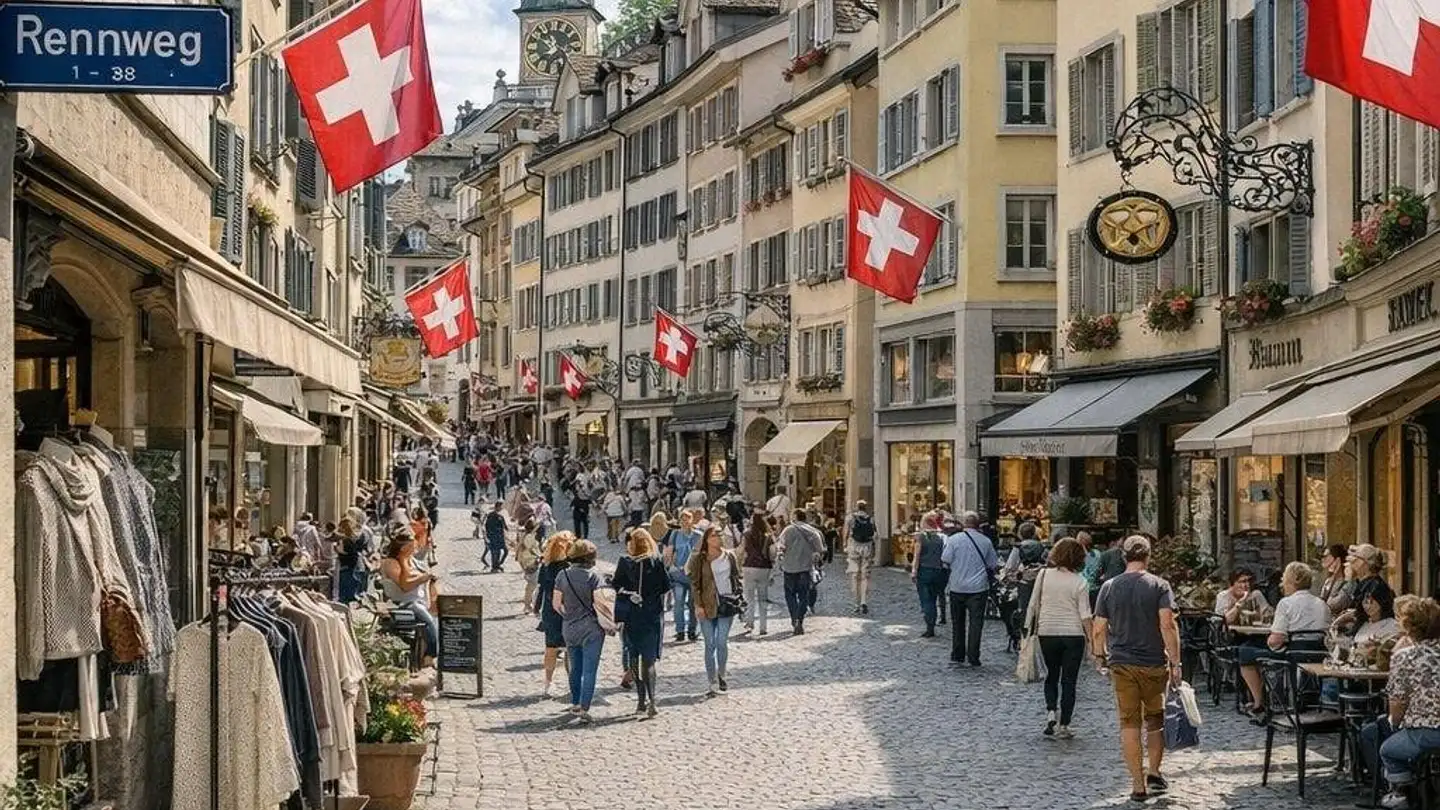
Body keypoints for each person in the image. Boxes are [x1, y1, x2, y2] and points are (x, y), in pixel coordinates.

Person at [1092, 535, 1182, 804]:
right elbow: (1167, 624)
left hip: (1122, 663)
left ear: (1124, 557)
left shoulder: (1109, 587)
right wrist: (1175, 661)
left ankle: (1137, 784)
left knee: (1129, 723)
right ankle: (1155, 771)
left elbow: (1099, 627)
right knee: (1155, 720)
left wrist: (1100, 655)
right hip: (1154, 662)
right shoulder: (1159, 585)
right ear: (1148, 556)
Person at [1360, 595, 1440, 810]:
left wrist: (1394, 723)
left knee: (1387, 747)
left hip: (1426, 732)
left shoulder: (1406, 656)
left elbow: (1397, 705)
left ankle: (1400, 792)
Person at [1236, 561, 1330, 715]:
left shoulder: (1286, 603)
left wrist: (1270, 642)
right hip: (1319, 654)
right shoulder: (1322, 604)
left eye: (1284, 579)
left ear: (1292, 581)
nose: (1282, 583)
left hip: (1293, 656)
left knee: (1245, 652)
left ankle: (1260, 702)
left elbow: (1275, 640)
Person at [1025, 537, 1093, 739]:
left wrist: (1028, 629)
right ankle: (1064, 725)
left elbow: (1033, 603)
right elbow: (1085, 615)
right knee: (1069, 681)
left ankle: (1050, 713)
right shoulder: (1080, 582)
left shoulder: (1044, 575)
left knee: (1051, 675)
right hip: (1073, 634)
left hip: (1048, 631)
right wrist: (1093, 641)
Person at [611, 528, 671, 718]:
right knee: (649, 660)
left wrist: (628, 593)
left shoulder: (625, 562)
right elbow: (665, 586)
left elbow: (615, 585)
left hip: (631, 616)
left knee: (634, 657)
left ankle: (640, 701)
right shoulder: (656, 561)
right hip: (651, 616)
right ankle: (653, 699)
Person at [552, 539, 608, 722]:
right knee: (590, 669)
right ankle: (584, 707)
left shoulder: (563, 575)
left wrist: (568, 615)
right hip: (592, 628)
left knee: (575, 668)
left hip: (569, 627)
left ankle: (575, 702)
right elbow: (601, 604)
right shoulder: (594, 576)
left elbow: (556, 604)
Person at [689, 524, 743, 695]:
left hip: (726, 603)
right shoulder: (699, 559)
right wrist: (698, 605)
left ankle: (722, 674)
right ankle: (711, 679)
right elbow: (695, 583)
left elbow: (736, 577)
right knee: (709, 643)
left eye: (719, 535)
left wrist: (739, 598)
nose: (717, 538)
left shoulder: (729, 557)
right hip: (706, 604)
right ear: (706, 539)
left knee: (721, 641)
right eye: (713, 535)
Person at [941, 511, 999, 667]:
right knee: (976, 623)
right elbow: (993, 564)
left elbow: (945, 560)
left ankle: (958, 654)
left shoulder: (953, 540)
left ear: (964, 524)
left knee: (957, 623)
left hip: (957, 586)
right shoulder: (985, 541)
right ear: (978, 524)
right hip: (978, 588)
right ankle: (974, 656)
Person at [379, 525, 438, 668]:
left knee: (437, 620)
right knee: (428, 621)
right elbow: (404, 586)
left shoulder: (412, 560)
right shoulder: (392, 563)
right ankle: (430, 655)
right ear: (404, 547)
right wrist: (421, 578)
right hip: (404, 603)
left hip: (419, 601)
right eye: (412, 545)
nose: (415, 547)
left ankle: (426, 655)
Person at [535, 532, 574, 696]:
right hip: (569, 611)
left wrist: (537, 608)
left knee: (550, 648)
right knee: (570, 649)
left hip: (550, 612)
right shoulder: (570, 567)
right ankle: (572, 683)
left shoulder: (546, 566)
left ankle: (548, 683)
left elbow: (541, 589)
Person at [777, 508, 826, 635]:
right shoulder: (813, 532)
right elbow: (820, 550)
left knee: (790, 595)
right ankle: (800, 618)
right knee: (803, 596)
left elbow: (780, 547)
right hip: (805, 568)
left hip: (789, 568)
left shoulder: (787, 530)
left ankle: (794, 618)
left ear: (795, 517)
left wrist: (781, 557)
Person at [664, 510, 702, 642]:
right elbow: (669, 552)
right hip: (678, 574)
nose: (685, 522)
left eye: (687, 519)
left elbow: (703, 554)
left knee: (693, 604)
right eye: (682, 519)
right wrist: (669, 567)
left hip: (693, 575)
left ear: (692, 520)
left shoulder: (698, 536)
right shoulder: (675, 534)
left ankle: (692, 630)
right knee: (679, 603)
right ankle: (680, 631)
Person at [909, 511, 949, 637]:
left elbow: (917, 555)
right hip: (939, 571)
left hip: (924, 571)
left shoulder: (921, 536)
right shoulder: (942, 537)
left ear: (925, 522)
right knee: (934, 597)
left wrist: (914, 571)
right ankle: (932, 622)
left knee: (926, 600)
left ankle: (929, 626)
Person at [740, 510, 775, 635]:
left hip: (749, 566)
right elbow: (772, 553)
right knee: (763, 598)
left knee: (749, 597)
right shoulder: (768, 536)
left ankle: (750, 623)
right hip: (764, 568)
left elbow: (742, 550)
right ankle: (763, 626)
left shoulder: (746, 534)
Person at [840, 500, 877, 614]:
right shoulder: (871, 518)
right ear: (866, 508)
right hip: (867, 547)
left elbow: (845, 532)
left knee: (855, 575)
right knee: (865, 576)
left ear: (856, 507)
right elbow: (875, 534)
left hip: (854, 546)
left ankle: (856, 603)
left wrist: (845, 545)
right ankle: (864, 601)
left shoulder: (850, 518)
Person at [335, 513, 373, 603]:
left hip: (348, 568)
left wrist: (338, 549)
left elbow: (346, 552)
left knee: (347, 595)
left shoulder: (346, 540)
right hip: (356, 566)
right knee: (354, 593)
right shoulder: (357, 537)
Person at [1318, 543, 1352, 615]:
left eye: (1326, 556)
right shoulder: (1328, 581)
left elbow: (1332, 605)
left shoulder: (1346, 582)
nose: (1322, 559)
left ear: (1337, 559)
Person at [517, 518, 542, 614]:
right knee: (532, 585)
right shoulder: (529, 537)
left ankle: (528, 603)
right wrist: (539, 556)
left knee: (531, 584)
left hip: (527, 562)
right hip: (531, 562)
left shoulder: (526, 535)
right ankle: (527, 605)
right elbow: (531, 549)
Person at [484, 502, 508, 573]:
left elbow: (486, 526)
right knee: (497, 552)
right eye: (500, 507)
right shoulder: (499, 517)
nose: (501, 508)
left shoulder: (491, 515)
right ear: (497, 507)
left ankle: (497, 565)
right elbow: (505, 527)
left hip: (493, 536)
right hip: (497, 536)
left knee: (496, 552)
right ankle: (495, 566)